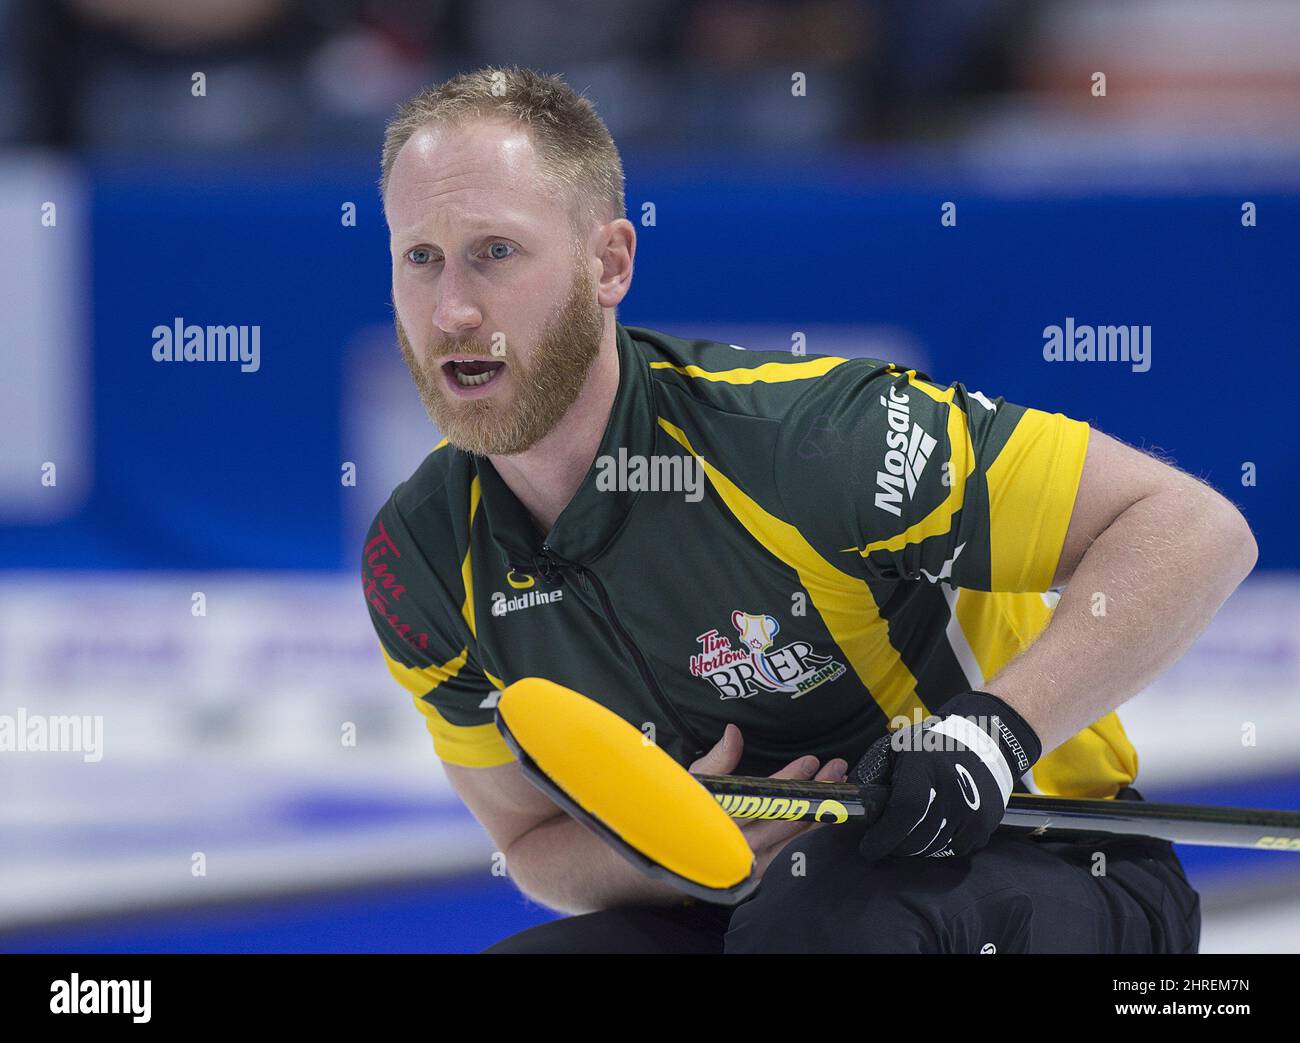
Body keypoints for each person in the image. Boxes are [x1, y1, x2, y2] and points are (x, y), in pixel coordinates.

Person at [362, 65, 1254, 953]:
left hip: (1046, 860)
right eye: (421, 257)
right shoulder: (419, 557)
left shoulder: (810, 441)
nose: (454, 309)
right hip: (739, 906)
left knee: (825, 925)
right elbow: (530, 846)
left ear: (609, 264)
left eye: (496, 251)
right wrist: (672, 847)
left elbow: (1193, 527)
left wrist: (991, 734)